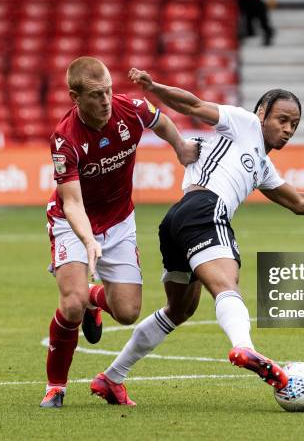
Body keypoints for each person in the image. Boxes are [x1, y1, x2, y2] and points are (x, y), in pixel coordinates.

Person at [87, 68, 304, 406]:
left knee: (179, 309)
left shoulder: (263, 165)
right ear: (262, 113)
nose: (288, 129)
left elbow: (301, 202)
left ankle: (111, 378)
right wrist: (154, 87)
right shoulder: (242, 122)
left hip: (177, 219)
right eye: (282, 119)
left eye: (294, 124)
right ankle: (245, 348)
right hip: (205, 208)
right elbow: (192, 105)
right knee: (226, 286)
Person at [40, 57, 200, 408]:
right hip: (72, 223)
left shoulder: (130, 110)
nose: (106, 100)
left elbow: (161, 121)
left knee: (127, 312)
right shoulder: (64, 140)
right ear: (75, 97)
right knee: (70, 304)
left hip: (119, 222)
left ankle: (93, 300)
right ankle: (56, 386)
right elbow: (72, 204)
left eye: (109, 90)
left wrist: (181, 148)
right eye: (97, 94)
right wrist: (87, 242)